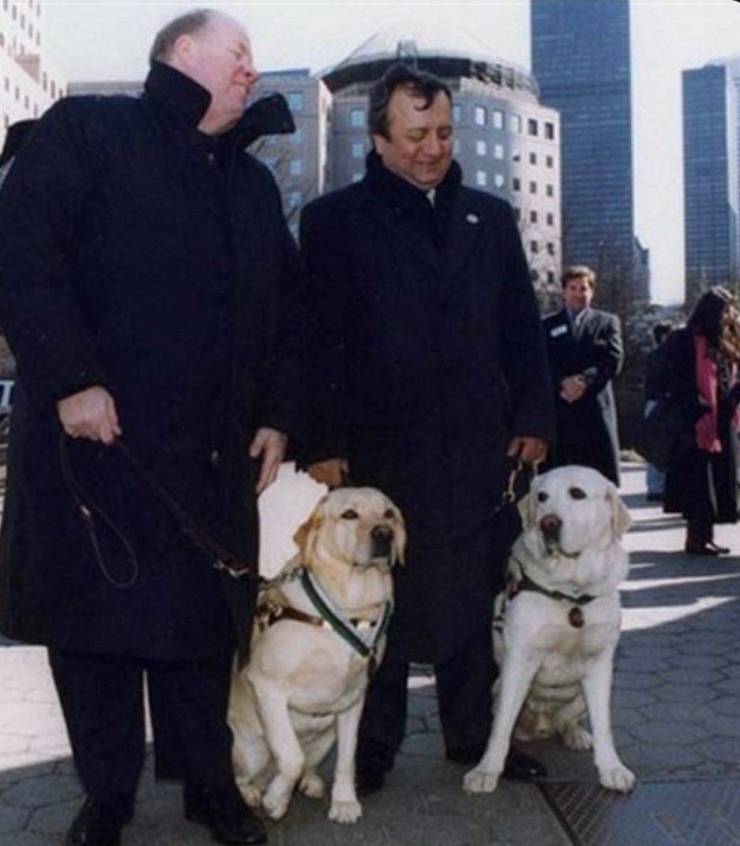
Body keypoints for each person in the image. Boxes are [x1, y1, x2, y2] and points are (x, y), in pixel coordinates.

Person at [0, 10, 306, 846]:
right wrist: (70, 380)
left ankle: (211, 789)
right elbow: (24, 253)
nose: (252, 69)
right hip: (95, 447)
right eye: (239, 53)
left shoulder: (250, 184)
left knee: (200, 630)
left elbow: (286, 314)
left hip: (209, 458)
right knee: (94, 633)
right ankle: (106, 799)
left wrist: (279, 416)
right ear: (181, 53)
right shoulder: (88, 131)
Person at [300, 63, 555, 794]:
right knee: (379, 591)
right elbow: (317, 340)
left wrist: (535, 417)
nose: (433, 148)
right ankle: (371, 748)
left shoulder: (491, 216)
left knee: (475, 594)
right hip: (380, 448)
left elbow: (520, 332)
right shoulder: (333, 221)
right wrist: (322, 441)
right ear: (378, 139)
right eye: (415, 135)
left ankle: (476, 739)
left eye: (442, 132)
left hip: (479, 444)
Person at [663, 287, 740, 555]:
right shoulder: (684, 339)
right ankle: (696, 536)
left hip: (721, 419)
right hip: (695, 419)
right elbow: (673, 378)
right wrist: (696, 407)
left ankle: (705, 534)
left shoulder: (724, 340)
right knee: (698, 482)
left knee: (718, 481)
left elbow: (729, 378)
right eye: (726, 309)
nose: (730, 314)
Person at [542, 265, 623, 485]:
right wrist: (562, 382)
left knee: (597, 484)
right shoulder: (547, 326)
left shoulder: (607, 322)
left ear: (592, 291)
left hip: (595, 410)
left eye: (584, 288)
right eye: (573, 288)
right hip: (562, 412)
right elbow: (542, 362)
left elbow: (613, 360)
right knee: (559, 483)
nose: (579, 293)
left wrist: (583, 382)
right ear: (564, 292)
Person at [643, 321, 673, 501]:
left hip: (654, 402)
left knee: (656, 446)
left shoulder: (653, 355)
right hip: (660, 402)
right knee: (659, 445)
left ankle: (656, 485)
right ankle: (657, 486)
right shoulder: (663, 355)